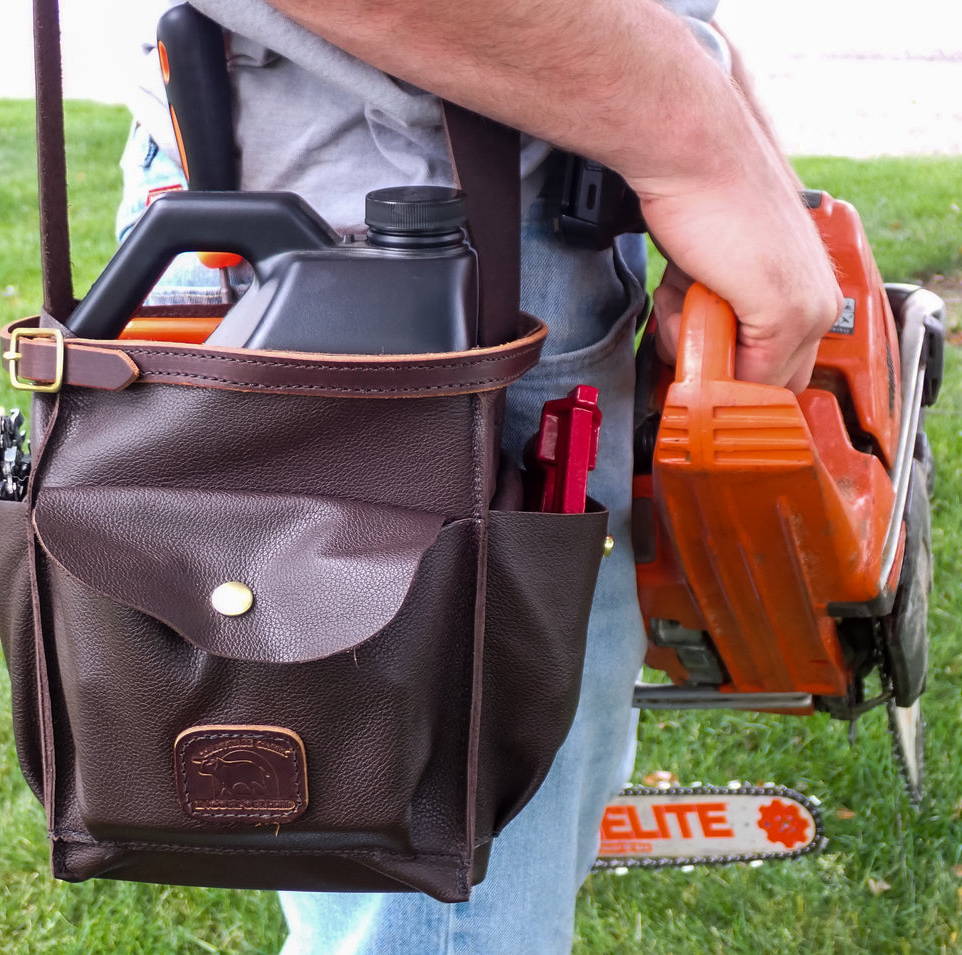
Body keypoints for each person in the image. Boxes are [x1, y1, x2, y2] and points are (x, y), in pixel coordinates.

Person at [115, 1, 843, 951]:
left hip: (495, 178)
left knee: (466, 835)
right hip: (431, 216)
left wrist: (738, 150)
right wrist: (701, 146)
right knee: (449, 889)